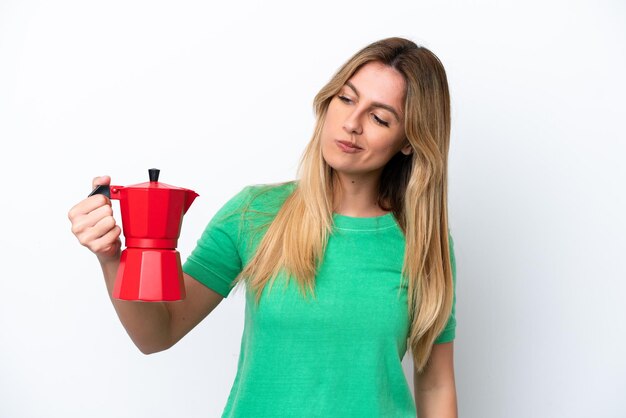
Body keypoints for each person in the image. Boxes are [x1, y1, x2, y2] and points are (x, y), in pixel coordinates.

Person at [68, 36, 458, 418]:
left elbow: (436, 385)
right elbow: (156, 335)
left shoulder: (421, 243)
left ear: (409, 141)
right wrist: (112, 258)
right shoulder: (255, 213)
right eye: (346, 98)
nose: (352, 123)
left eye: (379, 117)